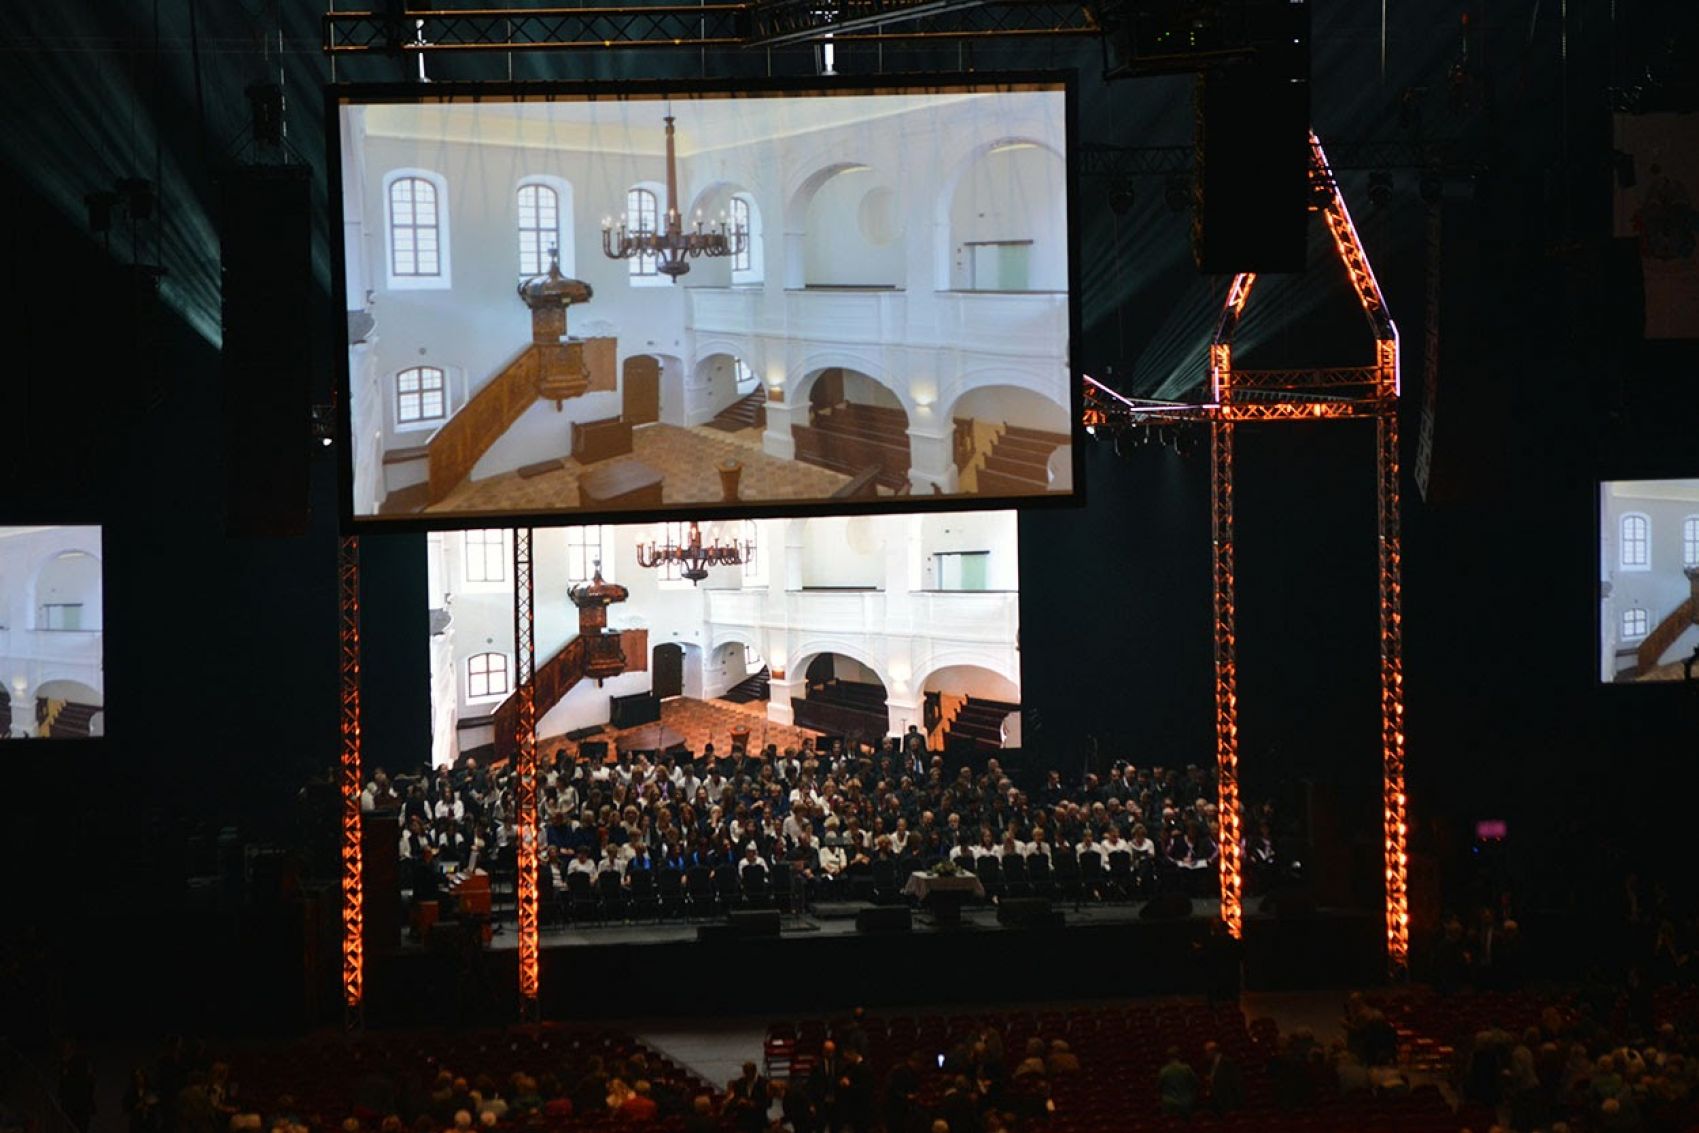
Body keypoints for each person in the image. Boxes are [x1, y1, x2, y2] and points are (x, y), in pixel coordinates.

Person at [1203, 1042, 1243, 1114]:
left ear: (1213, 1051)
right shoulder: (1211, 1065)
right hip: (1218, 1102)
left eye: (1206, 1052)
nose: (1206, 1055)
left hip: (1228, 1100)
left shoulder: (1227, 1062)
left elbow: (1235, 1082)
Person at [1157, 1047, 1199, 1118]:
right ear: (1179, 1056)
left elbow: (1159, 1087)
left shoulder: (1164, 1071)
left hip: (1169, 1103)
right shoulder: (1187, 1069)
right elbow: (1195, 1084)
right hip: (1186, 1102)